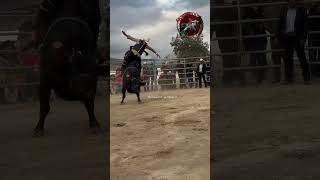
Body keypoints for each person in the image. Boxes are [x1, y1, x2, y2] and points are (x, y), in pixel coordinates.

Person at [278, 0, 310, 84]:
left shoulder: (302, 10)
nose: (291, 1)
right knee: (288, 59)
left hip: (297, 37)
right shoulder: (283, 10)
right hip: (287, 36)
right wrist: (279, 36)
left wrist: (303, 37)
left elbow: (305, 25)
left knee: (302, 58)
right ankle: (289, 78)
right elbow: (280, 23)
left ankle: (306, 78)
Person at [243, 7, 268, 84]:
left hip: (258, 39)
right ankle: (258, 76)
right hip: (255, 39)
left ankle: (260, 76)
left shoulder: (258, 13)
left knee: (258, 58)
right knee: (256, 58)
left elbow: (262, 26)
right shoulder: (250, 12)